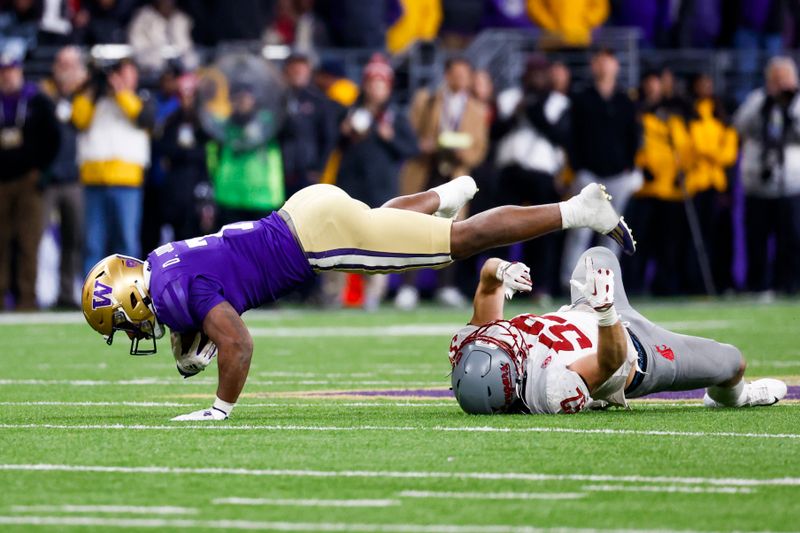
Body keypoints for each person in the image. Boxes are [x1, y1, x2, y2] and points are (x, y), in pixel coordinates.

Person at [81, 176, 635, 421]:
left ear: (128, 299)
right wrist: (190, 339)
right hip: (306, 210)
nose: (128, 330)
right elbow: (210, 289)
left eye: (118, 321)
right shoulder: (161, 261)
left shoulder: (176, 295)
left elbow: (239, 345)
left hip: (316, 241)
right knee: (376, 228)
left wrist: (219, 407)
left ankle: (578, 210)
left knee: (457, 244)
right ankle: (447, 193)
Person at [449, 247, 787, 415]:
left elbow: (487, 279)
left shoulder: (478, 352)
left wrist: (503, 270)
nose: (505, 336)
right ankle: (734, 399)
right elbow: (611, 360)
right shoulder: (548, 390)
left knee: (599, 253)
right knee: (732, 362)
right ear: (516, 379)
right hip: (642, 354)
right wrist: (606, 310)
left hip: (589, 308)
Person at [396, 56, 488, 309]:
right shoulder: (427, 100)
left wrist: (465, 154)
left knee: (451, 230)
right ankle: (408, 286)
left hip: (455, 173)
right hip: (427, 169)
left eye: (464, 75)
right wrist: (422, 144)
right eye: (455, 74)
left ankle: (445, 285)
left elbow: (479, 147)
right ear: (447, 75)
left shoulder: (476, 108)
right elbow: (410, 133)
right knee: (416, 227)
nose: (460, 79)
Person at [561, 47, 641, 289]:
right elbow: (571, 135)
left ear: (616, 66)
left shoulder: (625, 100)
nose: (604, 66)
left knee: (614, 230)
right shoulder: (581, 98)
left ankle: (606, 282)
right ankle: (571, 281)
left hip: (618, 174)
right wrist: (576, 167)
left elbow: (633, 135)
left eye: (608, 61)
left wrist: (630, 164)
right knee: (581, 228)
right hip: (588, 174)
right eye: (599, 61)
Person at [494, 54, 571, 300]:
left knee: (542, 232)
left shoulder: (558, 103)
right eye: (532, 72)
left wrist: (535, 111)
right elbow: (494, 133)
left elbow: (560, 136)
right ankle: (499, 285)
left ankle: (540, 287)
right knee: (500, 230)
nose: (536, 78)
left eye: (541, 73)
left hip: (542, 173)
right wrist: (514, 114)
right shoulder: (508, 98)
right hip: (511, 169)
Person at [73, 55, 154, 276]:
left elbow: (143, 118)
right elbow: (78, 120)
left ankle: (130, 293)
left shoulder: (141, 99)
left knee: (126, 243)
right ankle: (89, 295)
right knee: (92, 243)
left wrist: (121, 92)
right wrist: (91, 87)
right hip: (94, 181)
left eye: (127, 74)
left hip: (127, 182)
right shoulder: (94, 100)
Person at [0, 42, 61, 311]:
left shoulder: (36, 99)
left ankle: (27, 300)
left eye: (11, 70)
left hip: (28, 180)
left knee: (28, 241)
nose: (7, 75)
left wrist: (43, 171)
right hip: (1, 181)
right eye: (3, 71)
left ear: (19, 71)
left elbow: (54, 138)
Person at [733, 56, 800, 296]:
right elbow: (741, 124)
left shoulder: (798, 103)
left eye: (785, 78)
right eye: (776, 78)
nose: (781, 83)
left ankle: (789, 285)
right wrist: (768, 101)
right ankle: (757, 286)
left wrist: (789, 105)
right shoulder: (757, 99)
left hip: (791, 184)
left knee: (791, 240)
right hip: (758, 184)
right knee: (757, 240)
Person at [40, 46, 88, 309]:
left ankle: (67, 293)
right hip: (47, 178)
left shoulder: (84, 96)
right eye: (61, 62)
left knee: (73, 239)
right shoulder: (43, 93)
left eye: (70, 63)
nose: (65, 68)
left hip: (75, 177)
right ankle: (30, 293)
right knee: (34, 238)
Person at [280, 51, 335, 197]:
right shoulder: (276, 99)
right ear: (286, 71)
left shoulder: (318, 101)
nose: (298, 73)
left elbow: (328, 137)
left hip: (307, 171)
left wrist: (318, 168)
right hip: (278, 172)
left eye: (302, 70)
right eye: (294, 69)